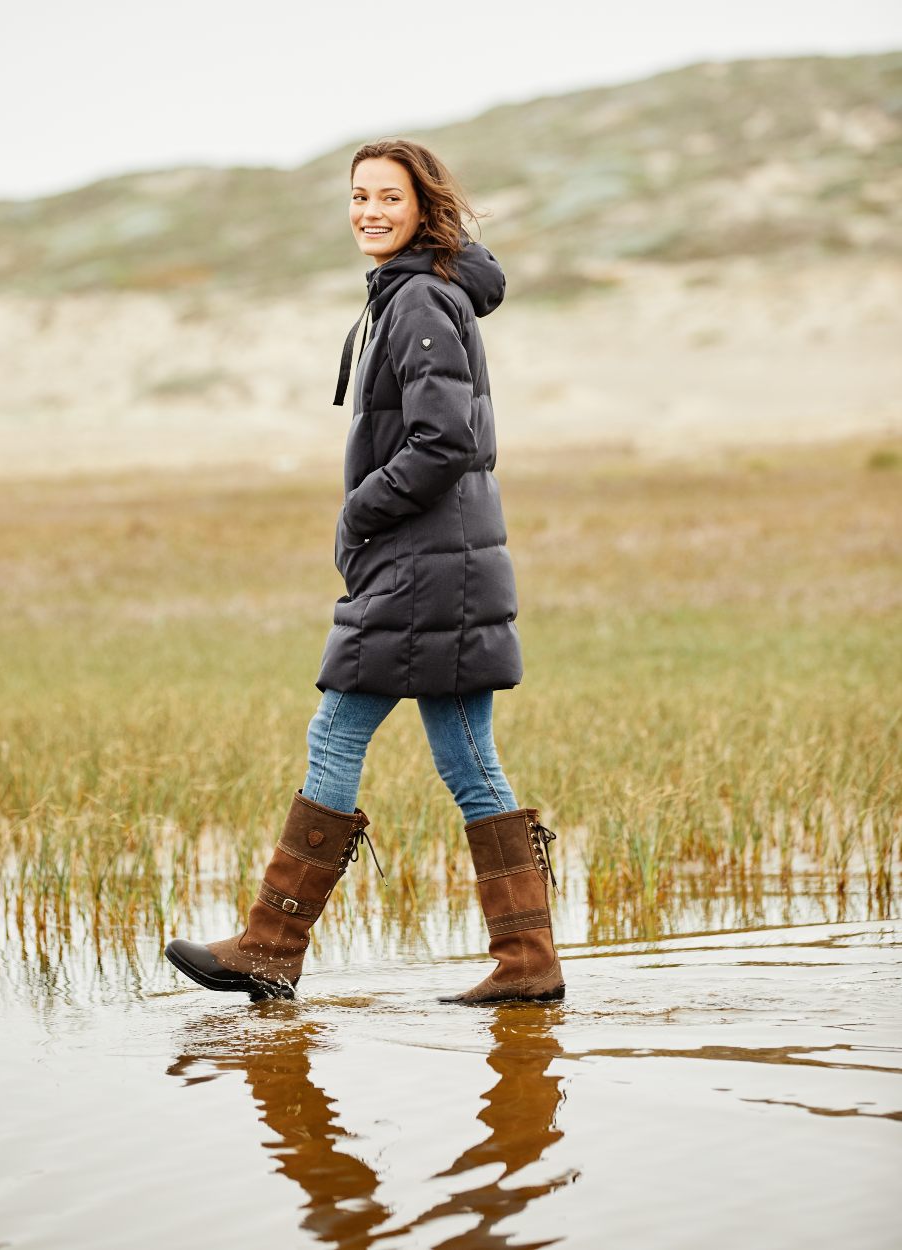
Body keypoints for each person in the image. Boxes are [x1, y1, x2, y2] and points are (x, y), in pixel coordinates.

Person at [165, 139, 563, 1005]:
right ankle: (528, 965)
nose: (370, 212)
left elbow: (444, 440)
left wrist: (360, 511)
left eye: (389, 197)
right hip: (444, 565)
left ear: (425, 207)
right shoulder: (421, 289)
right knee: (468, 760)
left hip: (424, 567)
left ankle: (270, 947)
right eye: (358, 198)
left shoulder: (420, 293)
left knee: (338, 730)